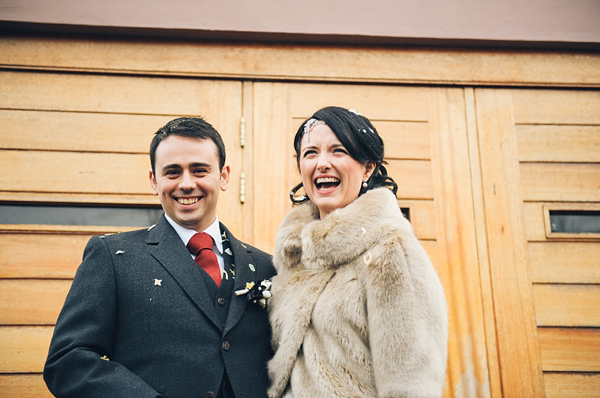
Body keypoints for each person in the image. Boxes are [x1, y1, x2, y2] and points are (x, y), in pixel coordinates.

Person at [44, 117, 276, 398]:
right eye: (173, 172)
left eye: (200, 170)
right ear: (154, 181)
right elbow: (68, 361)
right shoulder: (113, 257)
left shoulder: (266, 266)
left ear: (224, 176)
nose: (187, 183)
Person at [267, 106, 448, 398]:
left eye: (338, 151)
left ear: (368, 168)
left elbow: (413, 383)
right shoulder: (294, 256)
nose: (322, 163)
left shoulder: (391, 251)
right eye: (311, 153)